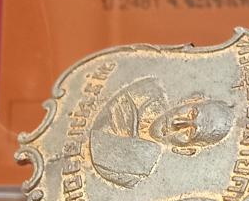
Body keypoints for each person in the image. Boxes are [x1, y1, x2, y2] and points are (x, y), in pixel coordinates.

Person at [89, 77, 234, 188]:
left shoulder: (133, 172)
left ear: (186, 150)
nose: (178, 123)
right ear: (190, 100)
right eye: (191, 113)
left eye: (189, 133)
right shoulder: (146, 91)